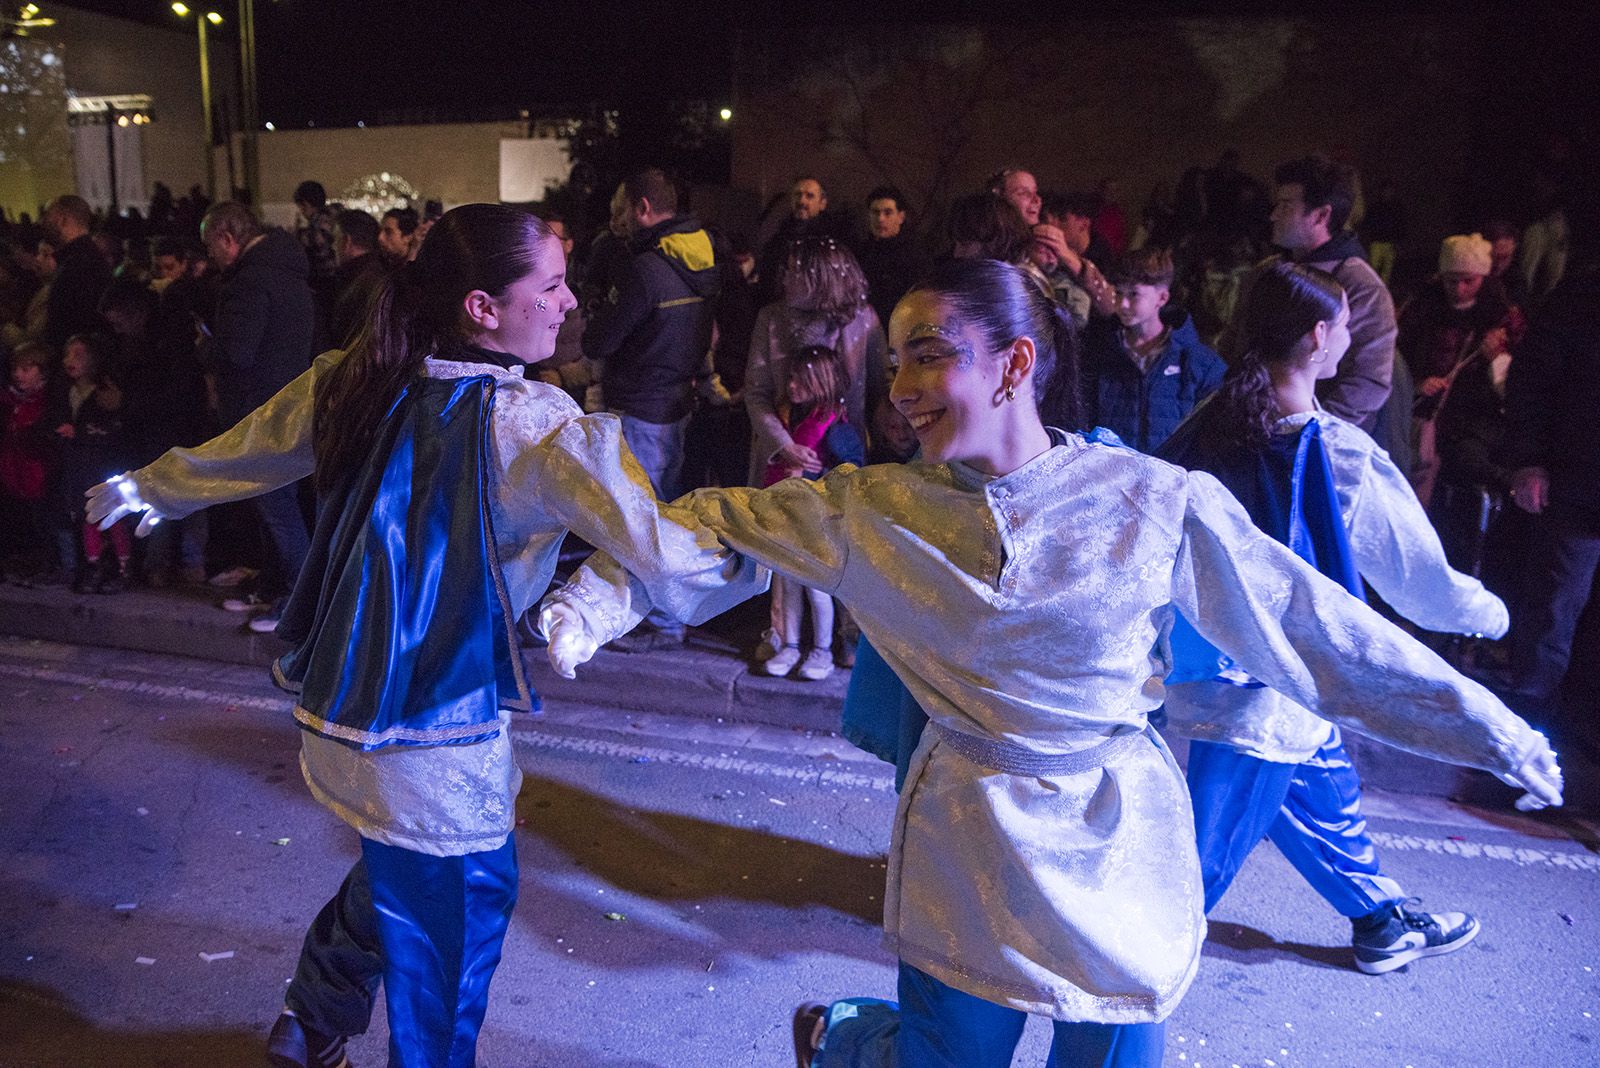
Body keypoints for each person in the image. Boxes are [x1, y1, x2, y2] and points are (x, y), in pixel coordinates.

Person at [542, 258, 1560, 1068]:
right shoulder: (877, 509)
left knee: (1117, 1048)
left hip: (1118, 841)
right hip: (965, 836)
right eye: (894, 360)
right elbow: (719, 532)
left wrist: (1479, 723)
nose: (898, 390)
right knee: (949, 1060)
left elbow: (1313, 629)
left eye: (928, 355)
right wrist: (593, 599)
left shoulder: (1152, 499)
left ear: (1016, 364)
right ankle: (850, 1041)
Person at [85, 204, 758, 1068]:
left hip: (342, 713)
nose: (567, 302)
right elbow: (665, 552)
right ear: (482, 307)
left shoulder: (359, 373)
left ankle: (311, 1019)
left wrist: (154, 487)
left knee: (402, 871)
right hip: (437, 725)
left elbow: (244, 452)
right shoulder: (533, 423)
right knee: (459, 917)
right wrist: (755, 530)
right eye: (549, 286)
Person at [1159, 262, 1517, 975]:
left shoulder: (1206, 425)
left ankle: (1380, 918)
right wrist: (1493, 614)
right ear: (1321, 336)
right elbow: (1420, 583)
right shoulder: (1336, 452)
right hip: (1272, 686)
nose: (1351, 336)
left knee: (1322, 791)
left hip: (1211, 668)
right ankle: (1125, 974)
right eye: (1347, 324)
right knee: (1192, 876)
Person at [200, 201, 317, 632]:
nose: (209, 256)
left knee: (276, 507)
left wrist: (203, 346)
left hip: (259, 409)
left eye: (210, 245)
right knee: (278, 502)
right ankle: (273, 585)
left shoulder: (247, 284)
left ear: (228, 239)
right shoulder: (291, 275)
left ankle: (297, 600)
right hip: (288, 404)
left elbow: (236, 352)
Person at [1229, 155, 1396, 435]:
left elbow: (1368, 381)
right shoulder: (1265, 272)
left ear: (1321, 215)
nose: (1273, 214)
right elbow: (1236, 347)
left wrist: (1311, 434)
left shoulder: (1360, 285)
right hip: (1250, 432)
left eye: (1285, 205)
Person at [757, 344, 864, 680]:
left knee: (817, 588)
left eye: (800, 380)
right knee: (788, 584)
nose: (791, 386)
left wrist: (813, 476)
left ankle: (821, 649)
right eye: (791, 378)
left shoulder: (836, 427)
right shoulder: (796, 416)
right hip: (788, 515)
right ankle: (790, 645)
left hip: (817, 522)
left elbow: (851, 470)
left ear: (821, 382)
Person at [1396, 233, 1527, 507]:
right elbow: (1396, 357)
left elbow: (1518, 384)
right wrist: (1417, 384)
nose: (1459, 288)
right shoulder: (1420, 308)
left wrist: (1496, 358)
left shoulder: (1501, 317)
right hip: (1421, 413)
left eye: (1469, 281)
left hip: (1473, 419)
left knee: (1466, 459)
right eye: (1451, 280)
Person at [1083, 247, 1225, 453]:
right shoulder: (1099, 354)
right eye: (1118, 292)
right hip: (1113, 477)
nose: (1122, 304)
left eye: (1134, 294)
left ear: (1162, 298)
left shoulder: (1199, 362)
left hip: (1173, 480)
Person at [54, 333, 131, 593]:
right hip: (79, 468)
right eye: (68, 354)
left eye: (79, 354)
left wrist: (81, 434)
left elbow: (113, 430)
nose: (71, 360)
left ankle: (120, 569)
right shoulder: (67, 392)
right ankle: (93, 567)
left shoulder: (105, 392)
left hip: (103, 467)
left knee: (111, 518)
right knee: (87, 517)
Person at [40, 195, 112, 353]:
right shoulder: (81, 259)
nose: (42, 222)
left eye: (47, 215)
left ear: (62, 219)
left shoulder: (79, 264)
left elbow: (74, 322)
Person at [856, 185, 929, 330]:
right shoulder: (862, 252)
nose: (880, 219)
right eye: (875, 212)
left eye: (887, 213)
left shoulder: (914, 254)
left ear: (901, 217)